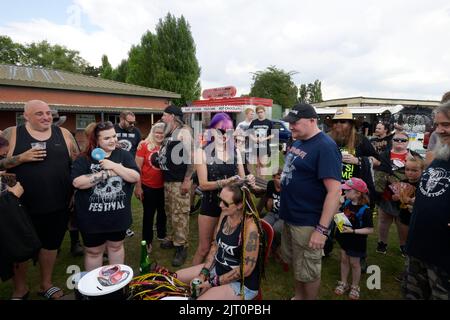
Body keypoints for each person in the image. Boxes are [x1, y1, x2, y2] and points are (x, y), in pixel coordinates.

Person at [1, 100, 79, 300]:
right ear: (25, 116)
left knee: (51, 245)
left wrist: (74, 193)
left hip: (58, 202)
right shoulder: (12, 134)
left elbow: (77, 164)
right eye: (39, 114)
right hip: (19, 205)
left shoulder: (64, 134)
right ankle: (20, 289)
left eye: (48, 113)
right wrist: (20, 158)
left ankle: (46, 284)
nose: (46, 117)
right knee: (20, 248)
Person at [280, 103, 342, 300]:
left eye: (295, 123)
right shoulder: (298, 141)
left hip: (308, 221)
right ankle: (299, 296)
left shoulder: (325, 146)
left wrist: (322, 230)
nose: (291, 127)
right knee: (298, 265)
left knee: (308, 268)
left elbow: (334, 192)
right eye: (290, 123)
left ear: (312, 121)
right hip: (291, 216)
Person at [176, 182, 264, 300]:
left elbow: (246, 270)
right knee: (174, 278)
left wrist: (211, 283)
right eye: (220, 200)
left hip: (242, 284)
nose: (221, 205)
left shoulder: (250, 228)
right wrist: (203, 275)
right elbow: (215, 246)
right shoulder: (225, 214)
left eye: (226, 203)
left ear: (239, 205)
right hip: (218, 270)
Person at [72, 121, 140, 271]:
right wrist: (106, 173)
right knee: (93, 252)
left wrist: (114, 166)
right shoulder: (84, 158)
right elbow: (77, 182)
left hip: (118, 216)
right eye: (107, 138)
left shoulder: (124, 155)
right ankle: (94, 290)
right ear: (96, 140)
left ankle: (116, 284)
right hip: (91, 219)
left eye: (114, 136)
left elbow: (134, 176)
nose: (113, 140)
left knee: (116, 248)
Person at [403, 102, 450, 300]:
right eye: (437, 124)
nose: (439, 130)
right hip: (417, 249)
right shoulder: (440, 158)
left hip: (444, 259)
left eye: (446, 124)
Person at [192, 113, 247, 265]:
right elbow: (203, 184)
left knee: (220, 246)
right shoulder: (202, 152)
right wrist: (225, 182)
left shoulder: (235, 152)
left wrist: (248, 181)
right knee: (204, 248)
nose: (224, 135)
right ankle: (188, 286)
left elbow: (242, 180)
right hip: (210, 205)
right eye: (220, 131)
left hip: (230, 208)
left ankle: (214, 277)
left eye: (229, 131)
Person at [153, 105, 194, 267]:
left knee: (180, 214)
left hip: (179, 181)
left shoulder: (183, 131)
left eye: (165, 115)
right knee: (170, 212)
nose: (162, 118)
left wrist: (187, 180)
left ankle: (182, 247)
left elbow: (192, 158)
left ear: (173, 117)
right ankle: (173, 238)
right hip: (168, 180)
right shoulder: (170, 133)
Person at [374, 131, 421, 255]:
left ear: (408, 142)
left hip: (407, 198)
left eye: (403, 140)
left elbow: (420, 174)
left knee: (403, 223)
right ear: (392, 141)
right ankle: (382, 243)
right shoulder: (384, 155)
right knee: (384, 220)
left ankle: (403, 245)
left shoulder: (415, 156)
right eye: (396, 139)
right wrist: (378, 193)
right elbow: (378, 175)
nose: (399, 142)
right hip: (386, 195)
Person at [334, 178, 373, 300]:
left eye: (347, 191)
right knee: (344, 260)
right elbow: (336, 214)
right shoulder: (346, 203)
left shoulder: (365, 210)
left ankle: (355, 286)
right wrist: (339, 204)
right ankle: (344, 282)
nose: (345, 193)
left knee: (355, 263)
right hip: (345, 239)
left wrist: (354, 231)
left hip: (357, 241)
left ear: (357, 193)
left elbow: (370, 229)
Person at [134, 122, 166, 254]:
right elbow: (137, 168)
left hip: (164, 186)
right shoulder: (144, 146)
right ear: (152, 133)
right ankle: (147, 242)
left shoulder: (167, 146)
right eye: (157, 132)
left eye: (162, 133)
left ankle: (162, 234)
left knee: (163, 212)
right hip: (148, 187)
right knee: (148, 215)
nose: (159, 135)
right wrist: (138, 187)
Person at [248, 106, 273, 177]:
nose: (260, 114)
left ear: (264, 112)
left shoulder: (269, 122)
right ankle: (258, 181)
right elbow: (249, 132)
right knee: (257, 165)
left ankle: (263, 182)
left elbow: (273, 134)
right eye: (258, 112)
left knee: (263, 164)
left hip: (264, 147)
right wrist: (254, 138)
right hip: (255, 147)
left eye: (261, 112)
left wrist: (264, 139)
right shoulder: (254, 122)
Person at [262, 168, 282, 251]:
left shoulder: (287, 186)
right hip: (272, 213)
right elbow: (269, 203)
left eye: (283, 178)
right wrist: (269, 205)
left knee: (276, 229)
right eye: (279, 178)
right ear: (273, 178)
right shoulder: (270, 184)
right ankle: (265, 246)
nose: (281, 180)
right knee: (263, 225)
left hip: (283, 216)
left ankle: (275, 247)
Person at [234, 108, 255, 174]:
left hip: (251, 147)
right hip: (242, 148)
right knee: (241, 164)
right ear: (246, 114)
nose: (252, 115)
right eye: (251, 114)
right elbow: (235, 134)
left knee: (250, 165)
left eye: (253, 114)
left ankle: (251, 178)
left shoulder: (254, 124)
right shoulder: (241, 124)